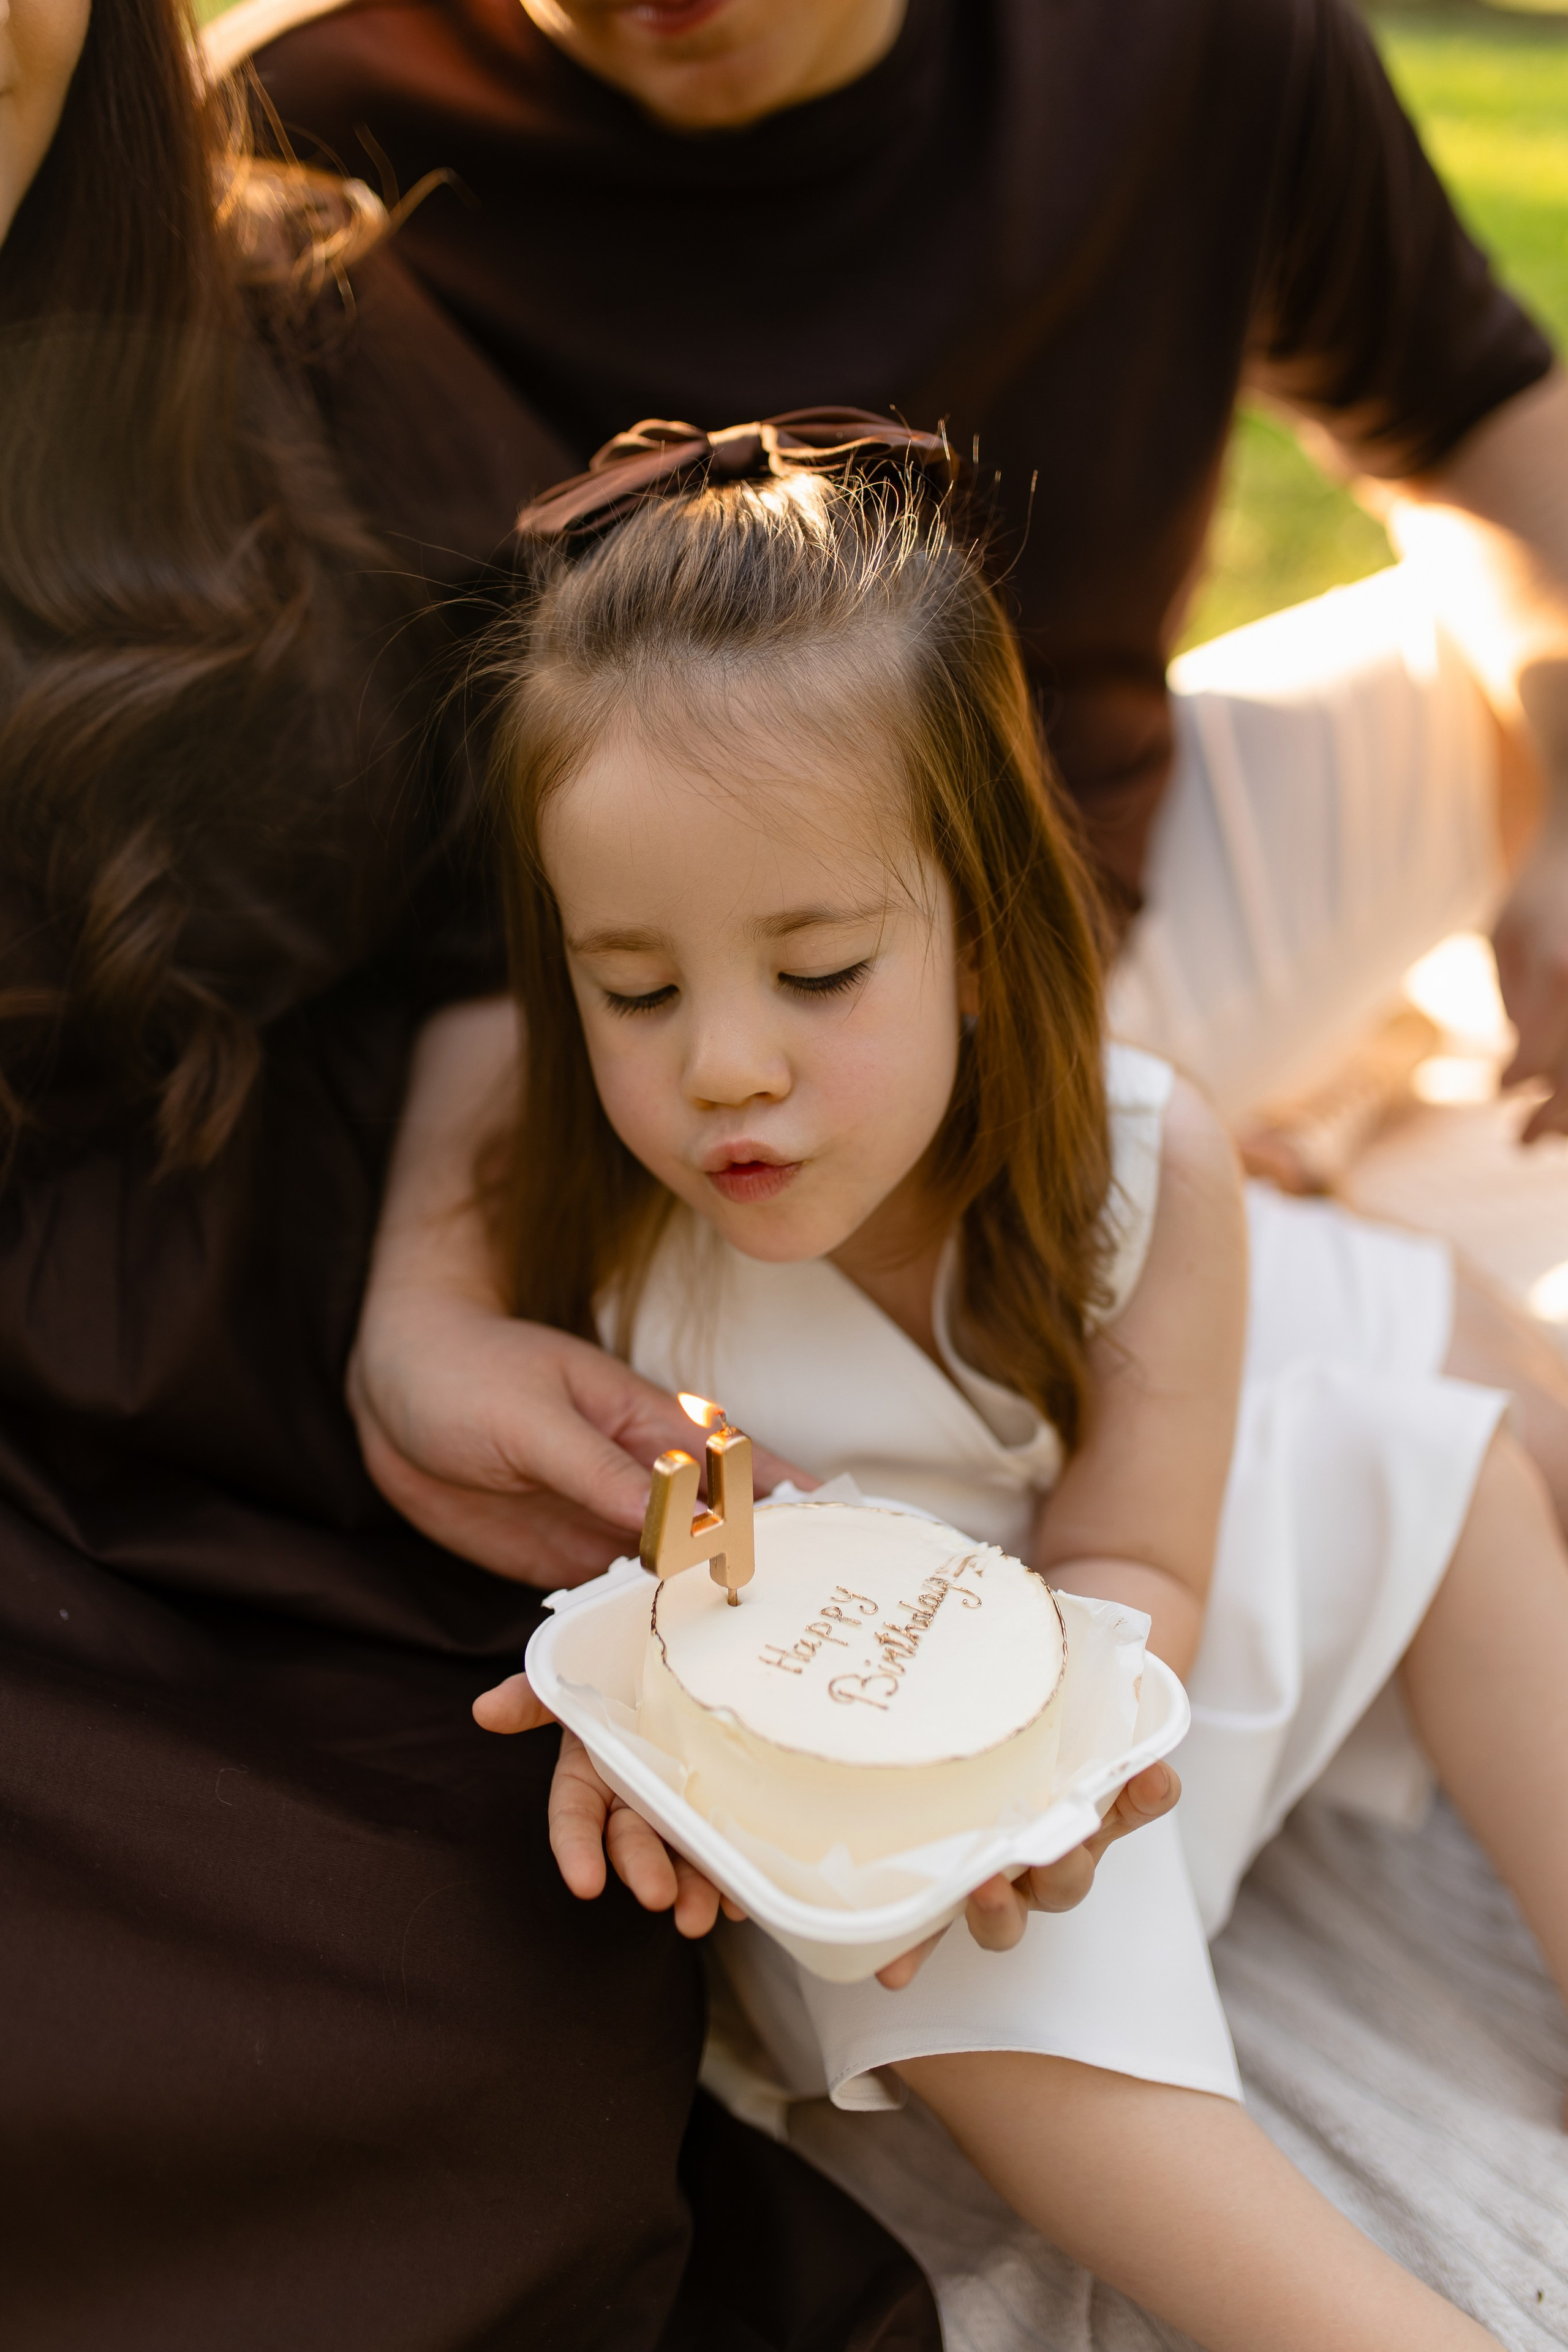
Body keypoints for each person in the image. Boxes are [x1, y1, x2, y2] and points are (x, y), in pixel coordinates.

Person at [0, 9, 952, 2345]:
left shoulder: (282, 311)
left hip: (284, 1412)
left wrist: (426, 1310)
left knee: (505, 2011)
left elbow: (505, 910)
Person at [208, 0, 1568, 1588]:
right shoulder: (301, 139)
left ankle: (1238, 1140)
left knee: (1516, 659)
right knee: (1445, 1404)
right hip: (769, 1007)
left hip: (1075, 890)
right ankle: (1245, 1202)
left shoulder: (1198, 35)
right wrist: (430, 1303)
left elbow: (1477, 415)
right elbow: (444, 913)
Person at [464, 417, 1568, 2348]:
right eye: (637, 990)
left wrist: (1075, 1755)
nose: (724, 1064)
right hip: (903, 1826)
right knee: (928, 1959)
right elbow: (684, 1604)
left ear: (977, 936)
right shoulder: (621, 1276)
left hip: (1107, 1694)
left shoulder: (1146, 1167)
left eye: (816, 973)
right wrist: (637, 1726)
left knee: (1443, 1472)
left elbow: (1146, 1549)